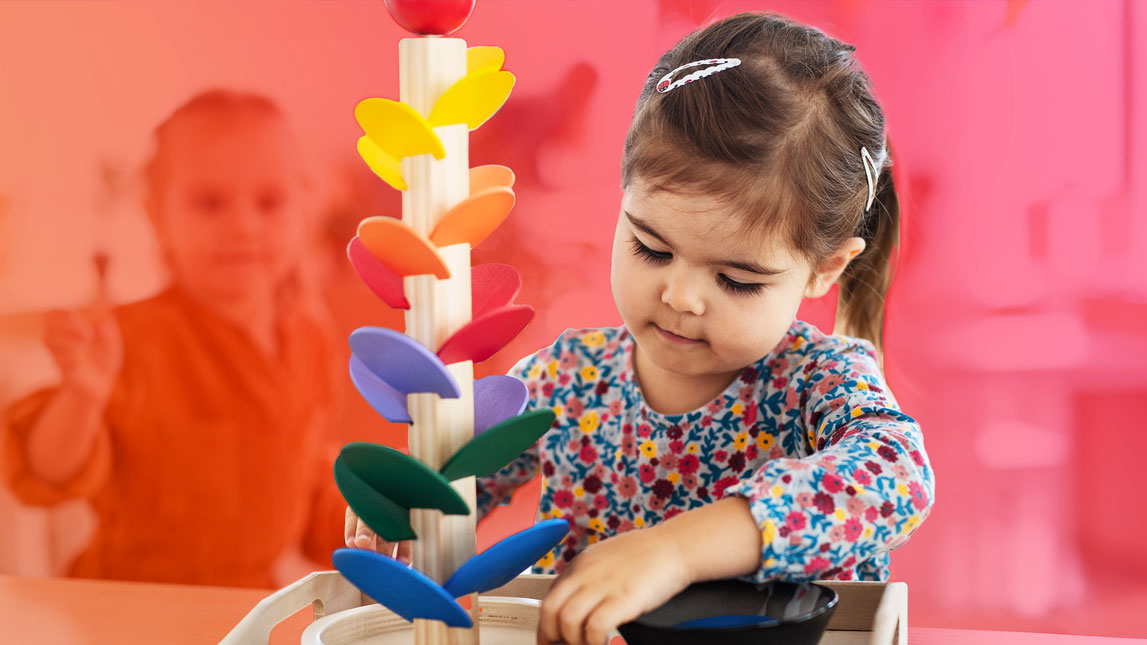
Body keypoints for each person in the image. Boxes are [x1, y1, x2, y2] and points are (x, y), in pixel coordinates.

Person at [345, 12, 936, 644]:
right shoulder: (565, 379)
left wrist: (676, 551)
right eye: (651, 248)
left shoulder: (820, 381)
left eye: (736, 280)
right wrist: (410, 505)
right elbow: (461, 483)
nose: (679, 297)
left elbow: (897, 478)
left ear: (826, 268)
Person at [2, 89, 346, 588]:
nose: (243, 226)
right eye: (210, 204)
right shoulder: (129, 339)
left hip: (247, 603)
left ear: (305, 210)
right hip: (133, 602)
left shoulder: (310, 337)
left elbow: (309, 478)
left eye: (269, 203)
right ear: (157, 215)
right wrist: (81, 397)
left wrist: (391, 530)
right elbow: (46, 473)